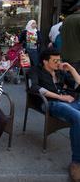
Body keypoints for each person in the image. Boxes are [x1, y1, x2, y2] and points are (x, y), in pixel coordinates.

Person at [29, 48, 80, 181]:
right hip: (52, 103)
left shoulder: (60, 72)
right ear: (45, 61)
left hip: (69, 101)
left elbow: (78, 84)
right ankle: (76, 162)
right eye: (55, 60)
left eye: (59, 60)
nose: (58, 63)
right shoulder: (36, 70)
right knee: (77, 118)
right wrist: (60, 97)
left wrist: (71, 69)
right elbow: (34, 87)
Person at [61, 0, 80, 73]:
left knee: (68, 78)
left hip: (66, 54)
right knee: (76, 78)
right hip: (77, 56)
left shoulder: (67, 18)